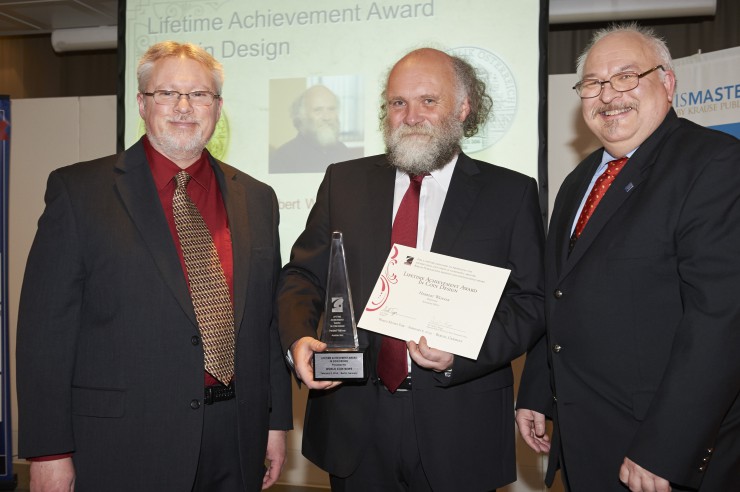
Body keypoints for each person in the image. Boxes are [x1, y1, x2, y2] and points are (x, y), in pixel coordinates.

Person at [16, 41, 292, 491]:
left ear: (217, 108)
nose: (185, 107)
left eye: (199, 95)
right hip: (123, 442)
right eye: (167, 93)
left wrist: (275, 422)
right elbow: (44, 333)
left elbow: (266, 324)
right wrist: (48, 451)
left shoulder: (257, 199)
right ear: (142, 104)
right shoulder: (79, 192)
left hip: (236, 435)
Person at [277, 47, 545, 491]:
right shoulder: (344, 181)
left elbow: (531, 301)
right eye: (398, 103)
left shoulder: (510, 195)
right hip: (353, 424)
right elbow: (303, 276)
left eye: (428, 101)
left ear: (463, 108)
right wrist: (297, 336)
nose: (411, 115)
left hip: (460, 425)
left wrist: (460, 353)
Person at [516, 23, 740, 492]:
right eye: (593, 83)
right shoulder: (579, 180)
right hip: (584, 437)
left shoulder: (715, 164)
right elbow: (561, 293)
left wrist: (666, 448)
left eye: (626, 76)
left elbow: (721, 320)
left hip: (661, 454)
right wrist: (538, 390)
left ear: (668, 82)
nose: (608, 95)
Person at [269, 84, 362, 173]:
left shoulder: (344, 151)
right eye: (318, 110)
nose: (327, 117)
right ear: (302, 116)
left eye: (331, 109)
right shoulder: (283, 157)